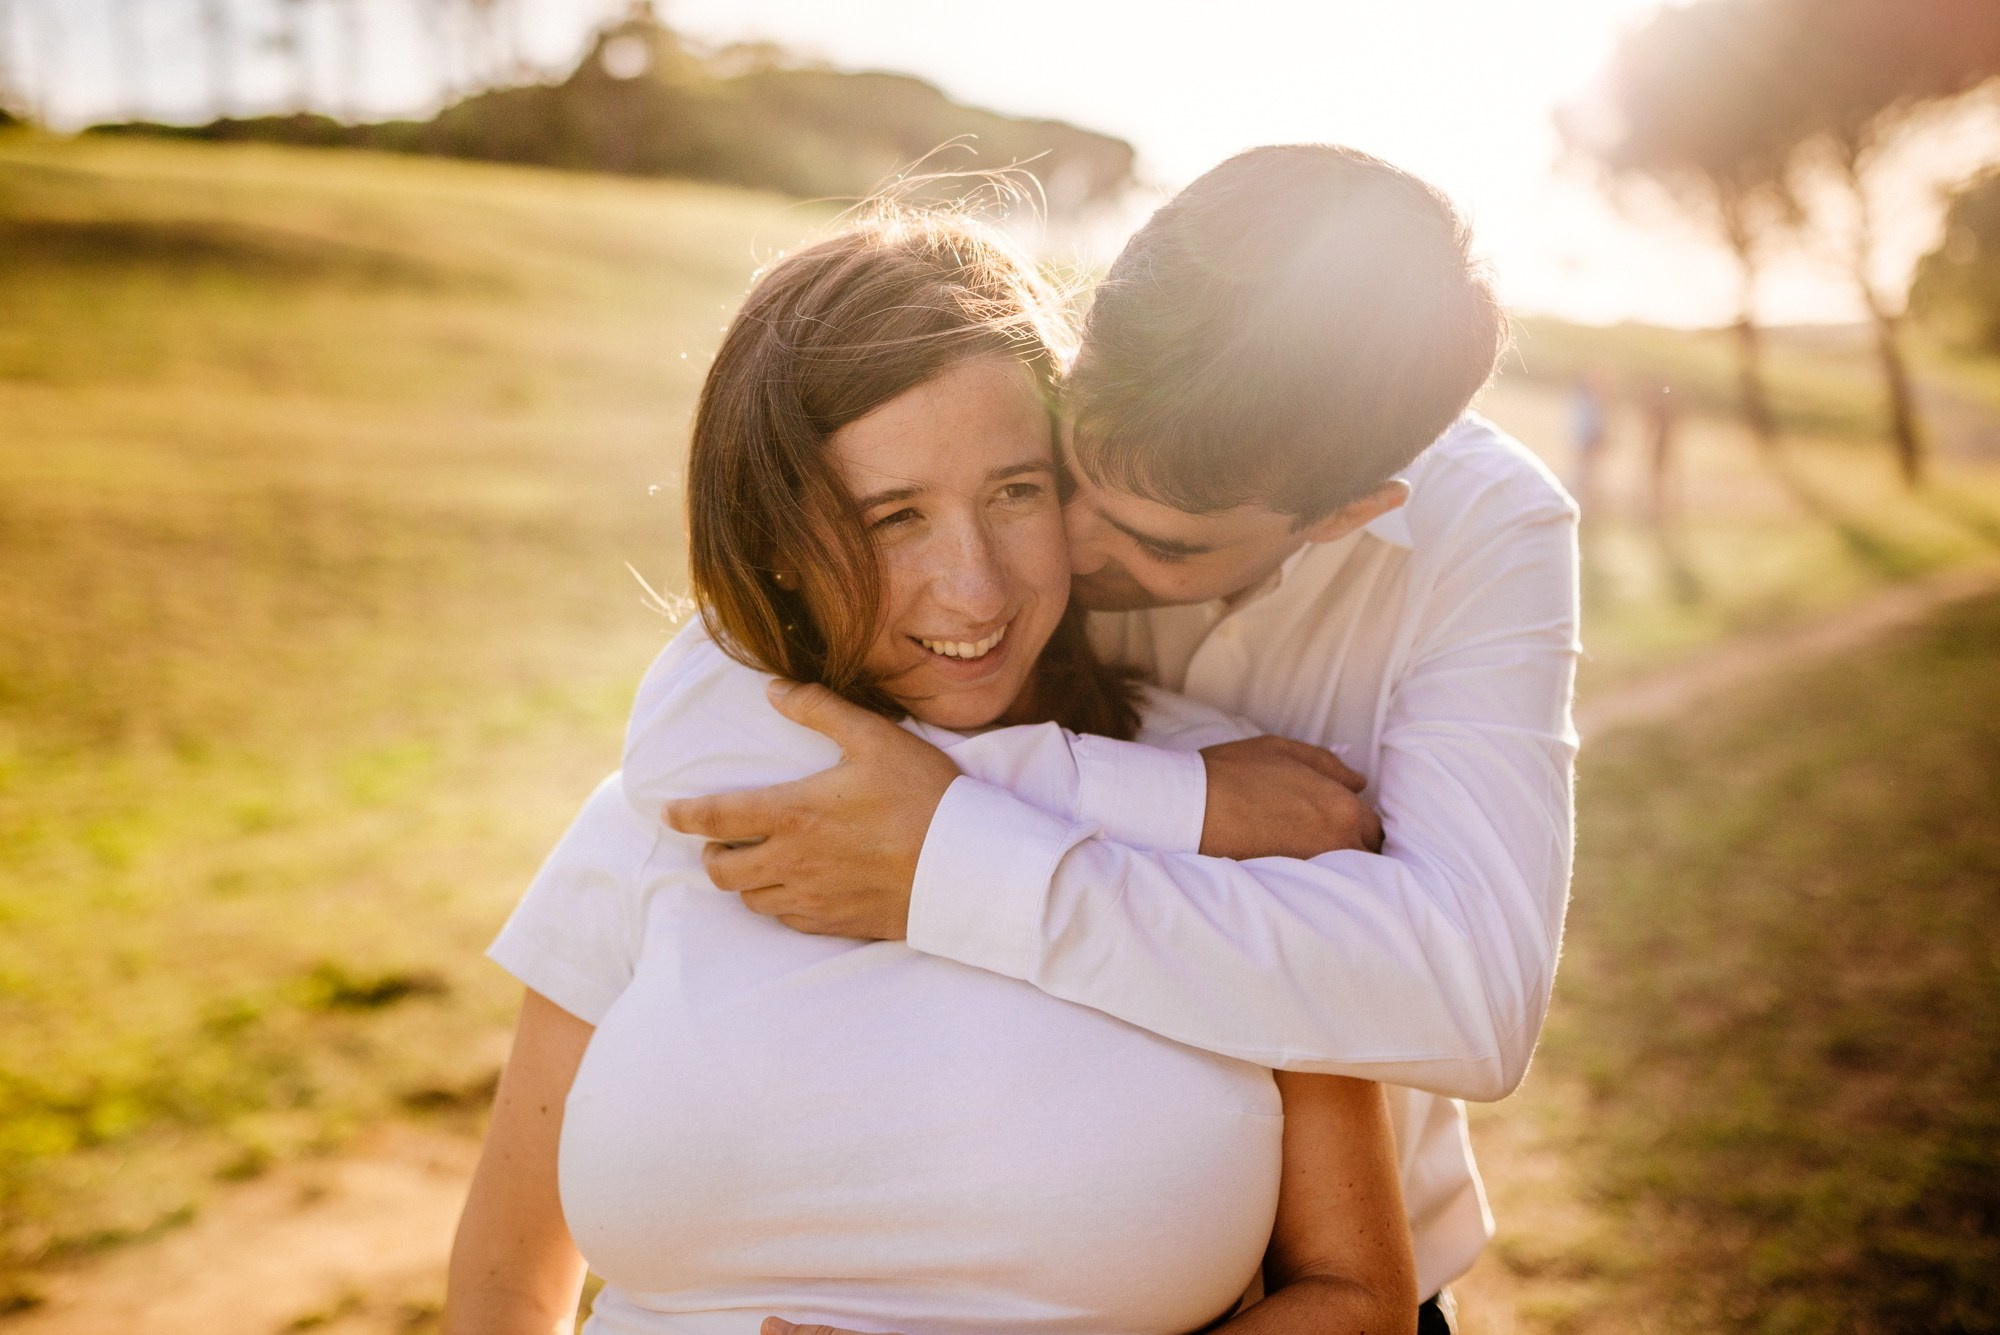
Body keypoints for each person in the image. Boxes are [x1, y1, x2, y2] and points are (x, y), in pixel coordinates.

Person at [658, 144, 1582, 1330]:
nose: (1065, 553)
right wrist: (1184, 807)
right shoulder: (1010, 420)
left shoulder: (1487, 529)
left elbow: (1468, 993)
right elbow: (717, 700)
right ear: (1085, 340)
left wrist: (955, 862)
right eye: (1063, 477)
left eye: (1163, 544)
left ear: (1346, 515)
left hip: (1335, 1276)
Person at [444, 211, 1417, 1335]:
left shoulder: (1245, 813)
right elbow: (505, 1282)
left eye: (1016, 492)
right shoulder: (673, 805)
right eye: (892, 517)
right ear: (775, 543)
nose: (976, 589)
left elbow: (1359, 1300)